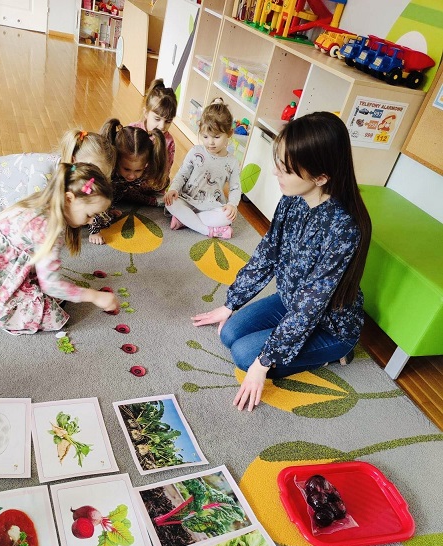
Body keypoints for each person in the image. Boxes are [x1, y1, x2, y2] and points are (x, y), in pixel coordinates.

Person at [192, 111, 372, 411]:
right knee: (230, 332)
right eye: (279, 163)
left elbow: (310, 307)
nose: (276, 173)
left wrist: (263, 364)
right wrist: (231, 303)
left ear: (321, 177)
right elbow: (267, 253)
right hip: (291, 300)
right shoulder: (292, 199)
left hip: (329, 325)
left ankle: (336, 354)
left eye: (286, 169)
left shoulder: (344, 228)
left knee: (245, 355)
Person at [0, 162, 119, 334]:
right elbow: (52, 286)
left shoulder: (40, 201)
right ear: (68, 199)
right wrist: (95, 296)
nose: (91, 222)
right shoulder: (49, 228)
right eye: (89, 215)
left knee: (49, 295)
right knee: (51, 315)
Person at [0, 129, 116, 225]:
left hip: (5, 175)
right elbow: (34, 211)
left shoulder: (71, 176)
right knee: (3, 226)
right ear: (74, 160)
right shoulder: (44, 174)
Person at [164, 98, 241, 239]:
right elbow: (182, 174)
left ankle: (185, 220)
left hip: (211, 205)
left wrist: (232, 205)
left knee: (228, 217)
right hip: (187, 199)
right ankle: (208, 231)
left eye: (216, 137)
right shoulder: (195, 152)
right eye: (205, 136)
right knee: (170, 202)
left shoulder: (233, 162)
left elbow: (235, 188)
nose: (210, 142)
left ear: (229, 133)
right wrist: (174, 189)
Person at [87, 119, 167, 244]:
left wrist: (108, 208)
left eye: (138, 170)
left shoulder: (137, 173)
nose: (131, 175)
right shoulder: (105, 171)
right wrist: (95, 231)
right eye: (126, 169)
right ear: (116, 158)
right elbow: (93, 198)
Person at [128, 78, 177, 192]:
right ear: (146, 113)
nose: (162, 126)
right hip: (128, 183)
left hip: (151, 189)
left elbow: (165, 173)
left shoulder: (169, 142)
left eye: (168, 121)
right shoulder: (132, 130)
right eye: (157, 119)